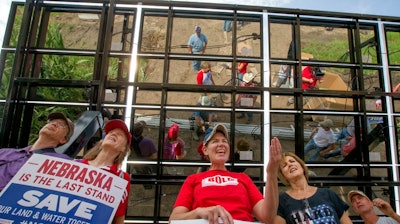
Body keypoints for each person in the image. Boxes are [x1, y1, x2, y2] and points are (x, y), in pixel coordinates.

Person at [169, 124, 282, 223]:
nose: (221, 144)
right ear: (205, 150)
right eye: (215, 141)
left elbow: (267, 217)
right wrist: (198, 212)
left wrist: (271, 173)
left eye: (224, 141)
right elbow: (174, 219)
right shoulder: (193, 179)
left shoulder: (243, 178)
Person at [0, 112, 74, 192]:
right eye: (52, 121)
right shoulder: (4, 152)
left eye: (61, 125)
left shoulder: (62, 162)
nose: (54, 124)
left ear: (63, 140)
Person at [274, 152, 353, 223]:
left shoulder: (328, 193)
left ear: (302, 167)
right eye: (284, 165)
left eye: (292, 161)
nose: (290, 165)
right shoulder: (281, 202)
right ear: (283, 176)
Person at [78, 119, 132, 224]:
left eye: (120, 134)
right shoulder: (75, 165)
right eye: (110, 132)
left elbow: (118, 219)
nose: (113, 133)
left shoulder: (121, 178)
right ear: (102, 141)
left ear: (123, 148)